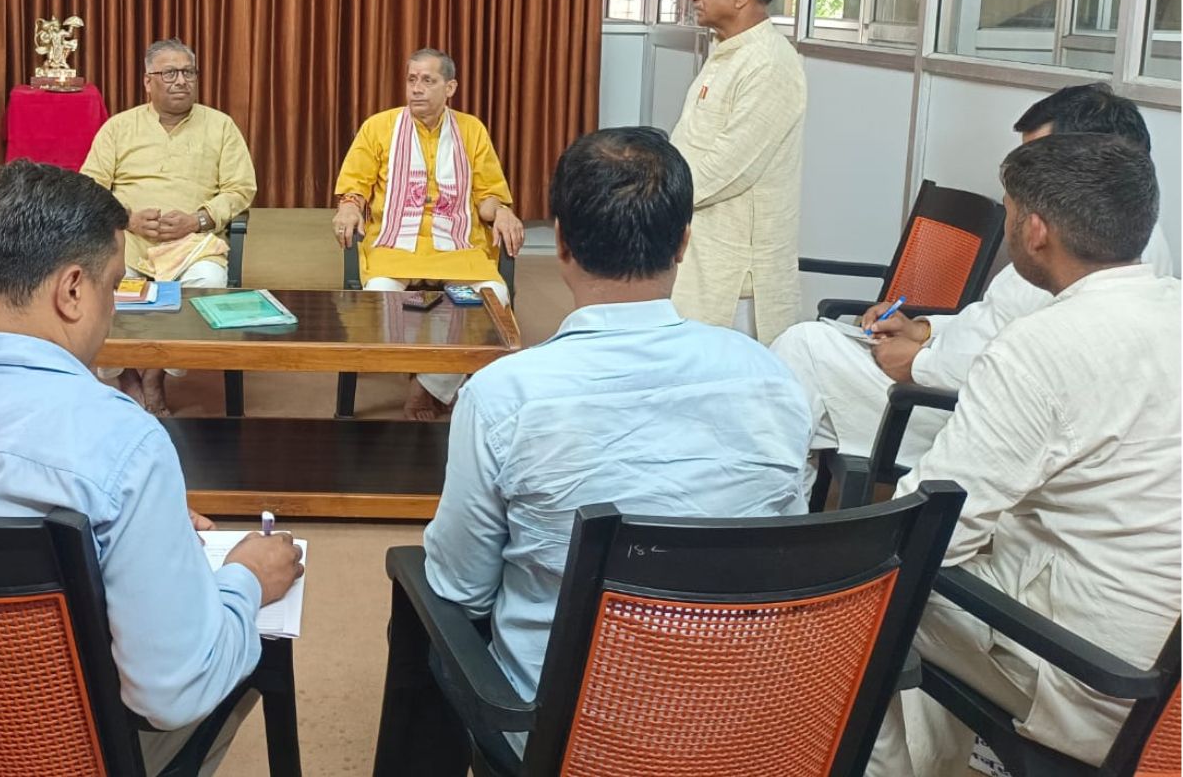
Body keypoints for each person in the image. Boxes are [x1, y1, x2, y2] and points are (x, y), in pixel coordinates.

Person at [0, 160, 302, 775]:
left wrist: (144, 524)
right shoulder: (123, 441)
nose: (112, 310)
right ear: (73, 290)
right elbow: (171, 694)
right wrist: (246, 580)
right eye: (113, 287)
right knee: (246, 649)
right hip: (51, 754)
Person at [423, 127, 811, 710]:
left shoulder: (504, 396)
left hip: (567, 730)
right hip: (737, 721)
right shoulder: (772, 379)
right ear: (683, 243)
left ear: (560, 243)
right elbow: (786, 554)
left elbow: (462, 588)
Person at [869, 133, 1180, 776]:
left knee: (878, 596)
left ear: (1035, 231)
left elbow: (928, 530)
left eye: (1009, 213)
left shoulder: (1042, 346)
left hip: (1097, 681)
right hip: (1166, 688)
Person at [774, 84, 1171, 496]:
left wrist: (918, 364)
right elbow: (993, 318)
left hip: (955, 405)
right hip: (944, 373)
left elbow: (1021, 372)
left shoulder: (1090, 256)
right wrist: (922, 330)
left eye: (1038, 161)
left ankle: (769, 512)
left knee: (802, 354)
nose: (1025, 177)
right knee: (802, 368)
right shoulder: (1102, 245)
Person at [332, 49, 525, 419]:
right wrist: (350, 206)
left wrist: (502, 211)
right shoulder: (379, 127)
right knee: (379, 297)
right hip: (395, 245)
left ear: (450, 87)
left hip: (458, 244)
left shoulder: (471, 130)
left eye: (427, 80)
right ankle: (437, 375)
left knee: (493, 297)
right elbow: (354, 186)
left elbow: (487, 196)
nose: (416, 88)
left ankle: (427, 386)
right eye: (411, 80)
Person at [81, 39, 257, 415]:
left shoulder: (220, 126)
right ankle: (126, 373)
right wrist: (126, 217)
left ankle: (156, 372)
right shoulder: (118, 128)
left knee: (208, 280)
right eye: (170, 73)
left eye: (188, 72)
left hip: (190, 244)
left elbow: (241, 188)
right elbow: (89, 186)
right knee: (98, 285)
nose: (181, 81)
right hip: (127, 242)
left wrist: (199, 219)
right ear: (148, 81)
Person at [670, 0, 806, 343]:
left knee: (729, 373)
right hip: (701, 250)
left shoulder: (769, 63)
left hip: (736, 274)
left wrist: (653, 197)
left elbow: (729, 168)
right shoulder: (727, 52)